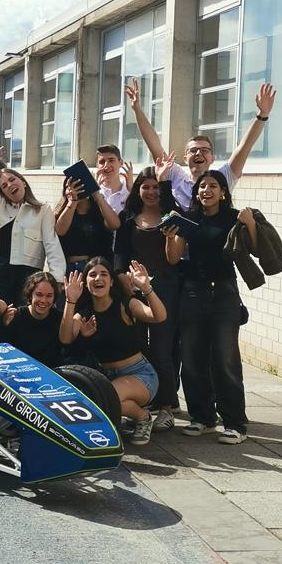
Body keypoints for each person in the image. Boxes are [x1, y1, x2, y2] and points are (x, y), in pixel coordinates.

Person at [177, 170, 253, 443]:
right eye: (202, 186)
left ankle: (235, 424)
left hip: (224, 293)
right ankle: (202, 417)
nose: (206, 190)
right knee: (192, 358)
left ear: (222, 192)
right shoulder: (188, 218)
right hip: (192, 292)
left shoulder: (233, 218)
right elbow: (173, 257)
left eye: (212, 186)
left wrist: (249, 223)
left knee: (225, 358)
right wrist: (173, 236)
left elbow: (254, 247)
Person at [113, 155, 185, 431]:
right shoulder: (127, 217)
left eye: (156, 187)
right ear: (138, 190)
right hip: (133, 289)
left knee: (162, 349)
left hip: (163, 289)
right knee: (138, 348)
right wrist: (122, 277)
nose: (152, 192)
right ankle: (146, 402)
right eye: (146, 187)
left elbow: (174, 257)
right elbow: (119, 253)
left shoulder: (171, 216)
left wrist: (165, 180)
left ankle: (167, 406)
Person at [59, 258, 166, 445]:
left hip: (140, 375)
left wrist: (146, 288)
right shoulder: (84, 313)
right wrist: (70, 300)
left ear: (111, 282)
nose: (98, 278)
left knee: (106, 398)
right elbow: (66, 337)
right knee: (100, 399)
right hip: (108, 377)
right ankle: (138, 414)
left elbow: (159, 316)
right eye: (92, 275)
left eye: (104, 274)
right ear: (86, 283)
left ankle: (142, 418)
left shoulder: (126, 304)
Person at [125, 78, 277, 210]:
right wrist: (137, 109)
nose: (198, 153)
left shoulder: (222, 178)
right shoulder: (176, 177)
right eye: (193, 150)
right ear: (185, 158)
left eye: (204, 150)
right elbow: (153, 144)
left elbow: (244, 148)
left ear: (212, 158)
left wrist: (262, 115)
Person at [0, 150, 66, 303]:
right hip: (2, 274)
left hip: (30, 276)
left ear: (23, 181)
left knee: (24, 314)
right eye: (4, 186)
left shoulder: (42, 210)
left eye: (12, 179)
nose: (9, 185)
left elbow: (51, 243)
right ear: (3, 192)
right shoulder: (0, 206)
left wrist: (57, 277)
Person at [0, 271, 65, 367]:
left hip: (51, 372)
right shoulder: (15, 315)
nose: (43, 300)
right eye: (39, 294)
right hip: (18, 370)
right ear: (30, 294)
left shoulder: (59, 318)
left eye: (49, 296)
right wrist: (5, 324)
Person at [55, 173, 121, 276]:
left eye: (83, 185)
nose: (80, 189)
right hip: (73, 269)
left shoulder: (100, 210)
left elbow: (115, 225)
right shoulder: (63, 212)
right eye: (75, 186)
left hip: (98, 268)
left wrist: (97, 194)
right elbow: (60, 231)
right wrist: (73, 201)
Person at [94, 145, 132, 212]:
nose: (106, 165)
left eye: (111, 160)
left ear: (120, 163)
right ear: (97, 165)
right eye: (102, 162)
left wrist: (132, 191)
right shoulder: (93, 193)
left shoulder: (129, 191)